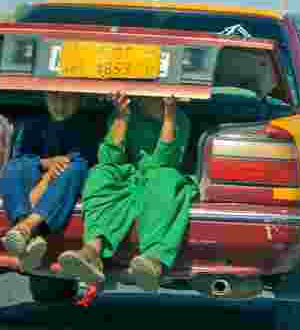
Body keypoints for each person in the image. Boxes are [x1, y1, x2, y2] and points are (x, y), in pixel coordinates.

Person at [56, 92, 198, 293]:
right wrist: (122, 117)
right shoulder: (125, 113)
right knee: (101, 173)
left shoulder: (179, 119)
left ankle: (154, 259)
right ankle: (92, 251)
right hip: (130, 176)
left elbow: (165, 161)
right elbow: (110, 157)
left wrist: (168, 116)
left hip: (158, 175)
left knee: (164, 178)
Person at [0, 92, 103, 272]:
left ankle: (27, 227)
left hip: (66, 182)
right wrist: (46, 163)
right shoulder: (34, 124)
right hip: (39, 180)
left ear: (79, 99)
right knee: (13, 168)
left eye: (67, 98)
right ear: (45, 99)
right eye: (54, 98)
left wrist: (47, 178)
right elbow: (23, 157)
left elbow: (80, 160)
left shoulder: (89, 125)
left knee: (74, 169)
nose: (60, 104)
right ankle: (28, 231)